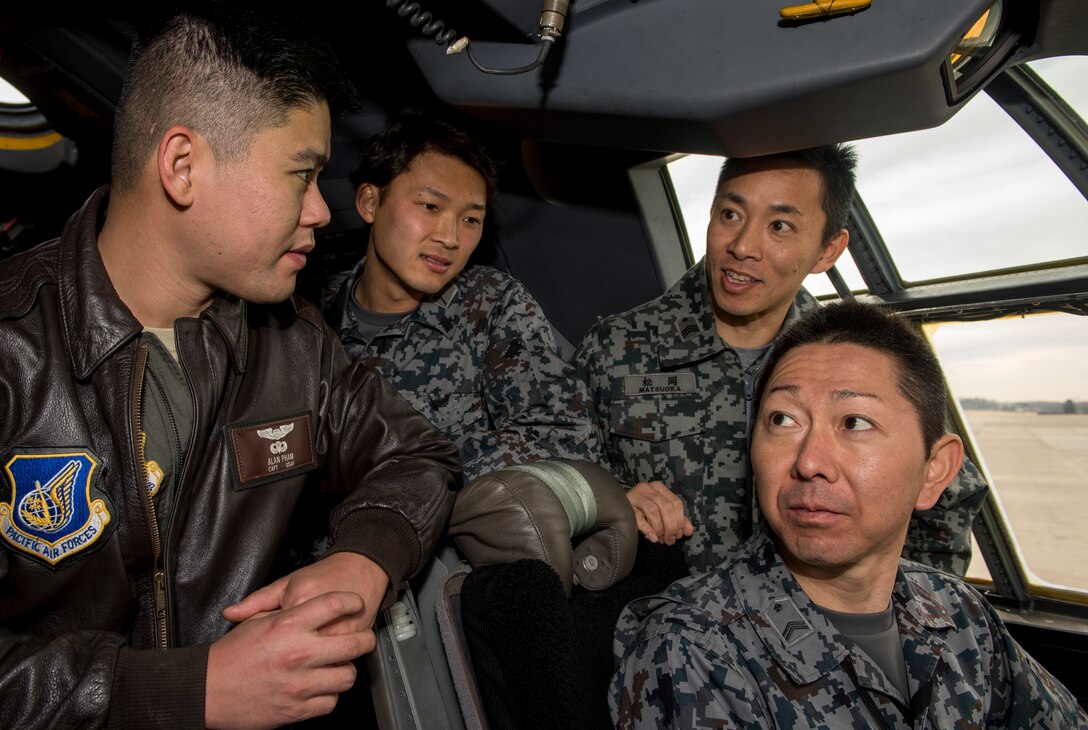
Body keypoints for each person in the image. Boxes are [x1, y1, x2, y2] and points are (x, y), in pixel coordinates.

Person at [0, 9, 461, 729]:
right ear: (183, 166)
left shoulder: (291, 342)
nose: (321, 210)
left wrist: (361, 563)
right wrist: (189, 690)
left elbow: (417, 458)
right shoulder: (13, 349)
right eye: (301, 174)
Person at [610, 300, 1087, 728]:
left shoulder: (960, 615)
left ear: (935, 471)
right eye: (783, 420)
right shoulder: (692, 647)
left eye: (854, 422)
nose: (808, 462)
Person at [573, 145, 988, 574]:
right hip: (661, 626)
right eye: (731, 215)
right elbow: (554, 490)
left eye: (780, 226)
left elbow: (948, 495)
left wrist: (895, 616)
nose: (743, 246)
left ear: (828, 250)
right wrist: (612, 506)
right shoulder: (615, 350)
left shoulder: (860, 361)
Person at [319, 110, 604, 484]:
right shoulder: (307, 312)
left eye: (471, 219)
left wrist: (416, 482)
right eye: (430, 207)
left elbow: (566, 433)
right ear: (371, 202)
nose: (450, 238)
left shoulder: (490, 305)